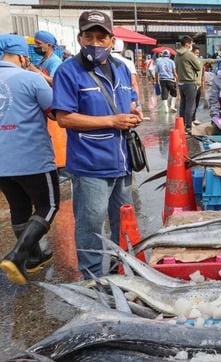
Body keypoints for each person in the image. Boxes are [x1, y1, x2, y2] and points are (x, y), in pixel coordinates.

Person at [51, 10, 143, 278]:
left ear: (111, 40)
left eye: (100, 37)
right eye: (89, 36)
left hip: (123, 162)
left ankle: (120, 271)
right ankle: (92, 280)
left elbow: (131, 100)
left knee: (122, 221)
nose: (95, 43)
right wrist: (112, 121)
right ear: (80, 39)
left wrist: (134, 112)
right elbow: (64, 118)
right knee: (90, 225)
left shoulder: (122, 69)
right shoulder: (69, 71)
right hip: (91, 164)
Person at [0, 34, 59, 285]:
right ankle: (17, 256)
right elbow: (55, 112)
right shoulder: (30, 78)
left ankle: (34, 257)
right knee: (49, 206)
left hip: (2, 164)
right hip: (32, 157)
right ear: (23, 56)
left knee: (19, 208)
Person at [29, 31, 68, 173]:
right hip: (44, 106)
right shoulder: (42, 61)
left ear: (49, 45)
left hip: (52, 104)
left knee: (58, 142)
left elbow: (56, 81)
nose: (36, 46)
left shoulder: (54, 62)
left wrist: (35, 72)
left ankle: (61, 169)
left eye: (38, 44)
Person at [175, 36, 202, 133]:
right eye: (191, 43)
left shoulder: (176, 54)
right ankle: (188, 127)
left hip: (181, 82)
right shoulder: (189, 54)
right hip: (190, 82)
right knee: (190, 105)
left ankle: (182, 124)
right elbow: (198, 67)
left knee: (183, 105)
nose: (191, 45)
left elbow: (176, 68)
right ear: (187, 44)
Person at [191, 46, 205, 121]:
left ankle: (193, 118)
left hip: (198, 85)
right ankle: (190, 120)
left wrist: (202, 82)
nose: (197, 55)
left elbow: (202, 72)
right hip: (192, 84)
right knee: (191, 103)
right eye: (196, 53)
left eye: (198, 53)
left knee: (196, 102)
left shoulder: (200, 61)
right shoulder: (189, 62)